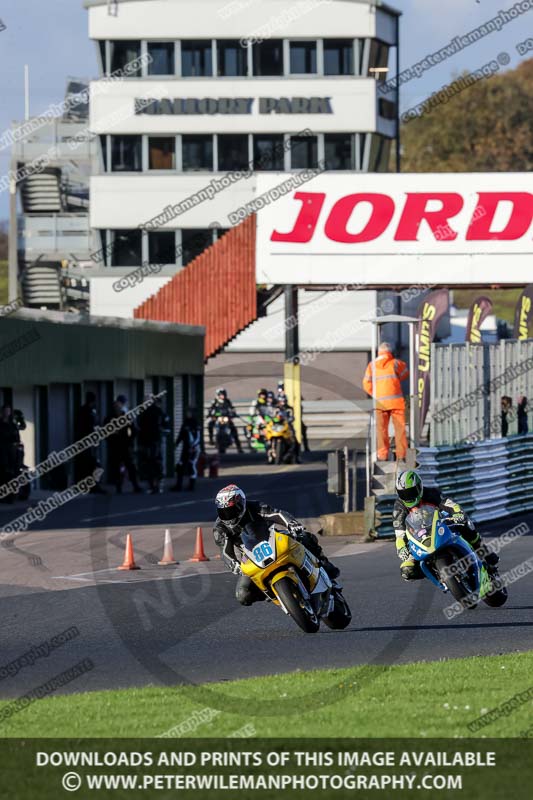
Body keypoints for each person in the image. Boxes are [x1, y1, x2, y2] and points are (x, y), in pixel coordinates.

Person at [213, 484, 340, 606]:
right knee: (243, 595)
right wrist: (233, 564)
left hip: (272, 539)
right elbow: (225, 551)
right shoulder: (220, 528)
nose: (229, 515)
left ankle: (324, 563)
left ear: (242, 503)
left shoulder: (255, 506)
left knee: (305, 537)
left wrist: (292, 524)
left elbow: (277, 514)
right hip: (251, 557)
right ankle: (275, 593)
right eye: (224, 512)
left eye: (232, 510)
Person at [393, 470, 499, 581]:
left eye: (411, 492)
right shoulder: (399, 507)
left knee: (465, 525)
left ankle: (485, 553)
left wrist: (457, 514)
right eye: (403, 494)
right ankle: (436, 573)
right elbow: (400, 535)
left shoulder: (430, 493)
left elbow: (450, 504)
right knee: (407, 572)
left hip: (440, 525)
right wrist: (401, 549)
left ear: (419, 487)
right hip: (419, 537)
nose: (408, 497)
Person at [362, 342, 409, 462]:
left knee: (381, 430)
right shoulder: (396, 363)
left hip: (380, 403)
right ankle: (401, 454)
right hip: (396, 402)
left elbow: (366, 384)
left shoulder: (372, 365)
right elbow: (405, 373)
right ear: (390, 352)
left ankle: (382, 455)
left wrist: (376, 394)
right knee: (400, 429)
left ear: (379, 352)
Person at [104, 399, 142, 494]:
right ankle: (118, 486)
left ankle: (135, 485)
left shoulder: (126, 417)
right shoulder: (109, 418)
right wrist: (111, 439)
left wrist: (129, 439)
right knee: (116, 467)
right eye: (115, 406)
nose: (117, 408)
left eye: (118, 406)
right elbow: (105, 432)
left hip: (125, 446)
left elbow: (131, 430)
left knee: (130, 466)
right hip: (115, 447)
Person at [74, 392, 106, 493]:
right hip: (88, 442)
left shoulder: (83, 410)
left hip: (84, 442)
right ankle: (93, 485)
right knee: (94, 465)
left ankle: (84, 486)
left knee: (85, 465)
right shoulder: (89, 412)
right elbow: (93, 425)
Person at [137, 397, 169, 494]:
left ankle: (154, 485)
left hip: (150, 441)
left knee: (151, 463)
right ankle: (156, 485)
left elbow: (140, 427)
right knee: (154, 462)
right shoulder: (155, 412)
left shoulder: (148, 413)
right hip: (152, 441)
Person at [0, 405, 25, 503]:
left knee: (13, 473)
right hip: (2, 451)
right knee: (3, 473)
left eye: (8, 411)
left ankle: (12, 496)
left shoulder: (13, 424)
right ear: (2, 412)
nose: (7, 413)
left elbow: (17, 436)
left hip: (12, 452)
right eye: (5, 411)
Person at [174, 408, 202, 491]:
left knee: (191, 465)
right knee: (180, 465)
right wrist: (176, 443)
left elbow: (198, 437)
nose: (188, 414)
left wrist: (193, 447)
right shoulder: (185, 422)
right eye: (187, 412)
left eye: (189, 412)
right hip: (185, 448)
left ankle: (191, 485)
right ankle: (178, 485)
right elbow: (181, 434)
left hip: (194, 448)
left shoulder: (196, 423)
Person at [208, 388, 242, 452]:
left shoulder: (227, 401)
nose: (222, 396)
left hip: (226, 418)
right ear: (218, 395)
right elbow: (210, 409)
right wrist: (210, 414)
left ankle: (239, 448)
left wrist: (233, 413)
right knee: (210, 424)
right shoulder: (214, 401)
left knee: (233, 429)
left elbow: (232, 408)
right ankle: (211, 439)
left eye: (223, 394)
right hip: (217, 418)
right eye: (221, 395)